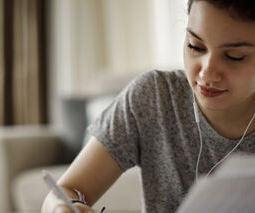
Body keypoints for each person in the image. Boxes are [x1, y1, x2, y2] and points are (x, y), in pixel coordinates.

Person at [42, 0, 255, 212]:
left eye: (234, 57)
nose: (206, 73)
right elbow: (66, 190)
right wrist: (65, 207)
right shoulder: (154, 96)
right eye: (195, 46)